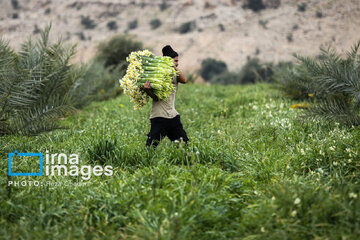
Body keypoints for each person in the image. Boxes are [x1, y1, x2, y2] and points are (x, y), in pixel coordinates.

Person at [142, 45, 189, 148]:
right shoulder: (157, 75)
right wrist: (148, 90)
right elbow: (156, 98)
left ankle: (187, 162)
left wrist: (173, 66)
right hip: (159, 116)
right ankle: (143, 163)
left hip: (172, 115)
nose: (177, 63)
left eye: (177, 61)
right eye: (175, 61)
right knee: (150, 147)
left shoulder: (175, 73)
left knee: (184, 145)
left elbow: (184, 80)